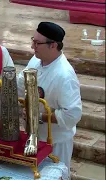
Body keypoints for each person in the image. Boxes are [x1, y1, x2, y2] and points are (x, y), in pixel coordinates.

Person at [17, 22, 82, 174]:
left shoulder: (64, 75)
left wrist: (39, 116)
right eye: (33, 40)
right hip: (34, 136)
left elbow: (72, 114)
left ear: (53, 45)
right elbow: (21, 84)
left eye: (37, 43)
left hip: (56, 141)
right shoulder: (36, 60)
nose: (33, 46)